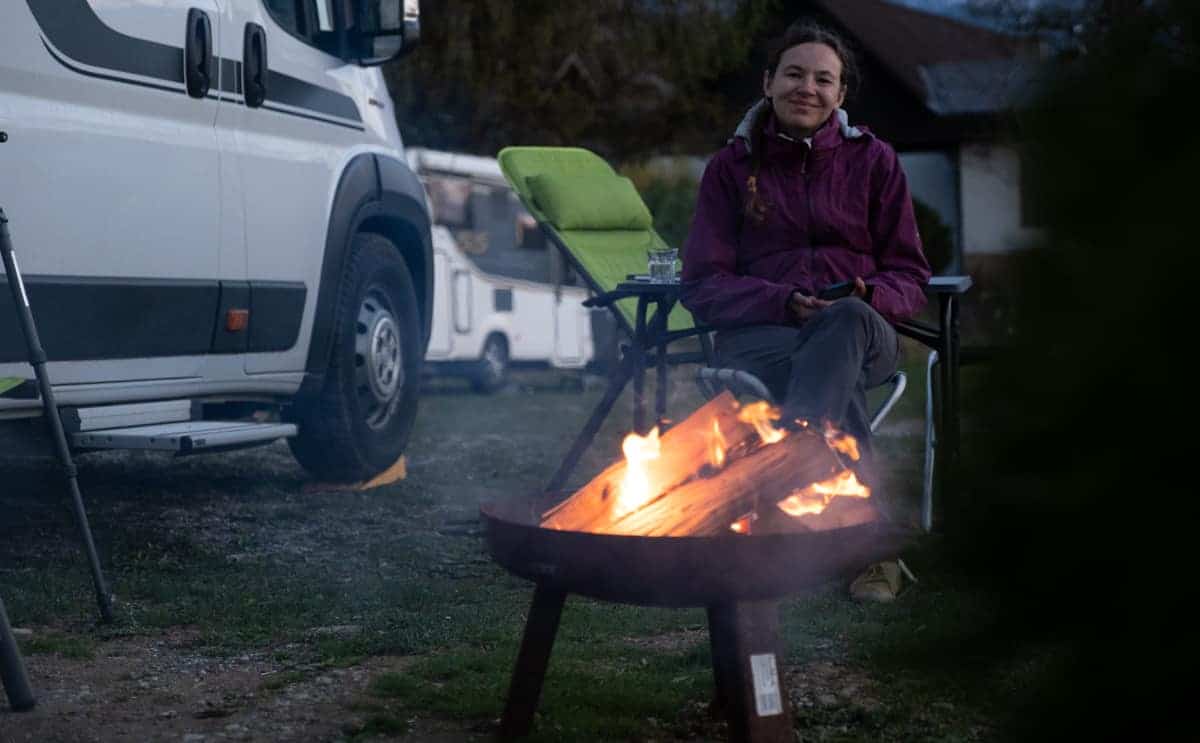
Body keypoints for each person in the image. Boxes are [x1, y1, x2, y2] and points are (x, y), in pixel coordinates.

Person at [681, 21, 931, 599]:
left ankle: (781, 487)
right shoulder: (731, 167)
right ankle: (873, 553)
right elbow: (702, 283)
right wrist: (779, 301)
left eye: (824, 79)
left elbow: (910, 274)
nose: (807, 88)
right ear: (769, 83)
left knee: (839, 324)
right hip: (765, 339)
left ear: (841, 96)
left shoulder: (875, 161)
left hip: (861, 332)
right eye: (794, 74)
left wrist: (868, 296)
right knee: (828, 368)